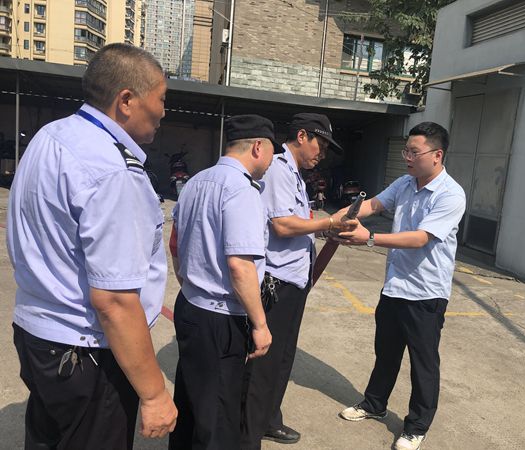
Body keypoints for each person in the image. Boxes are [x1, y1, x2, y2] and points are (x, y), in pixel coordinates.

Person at [6, 43, 177, 450]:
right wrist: (154, 394)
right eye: (161, 99)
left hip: (37, 335)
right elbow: (114, 301)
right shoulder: (113, 170)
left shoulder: (52, 136)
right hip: (86, 352)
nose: (164, 112)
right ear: (127, 101)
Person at [337, 122, 466, 450]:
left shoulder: (451, 194)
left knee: (423, 364)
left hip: (426, 293)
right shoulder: (405, 183)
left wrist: (369, 238)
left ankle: (416, 426)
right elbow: (373, 205)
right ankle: (374, 404)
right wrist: (336, 219)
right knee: (386, 353)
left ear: (437, 155)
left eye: (414, 152)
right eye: (405, 150)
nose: (407, 157)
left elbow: (421, 238)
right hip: (394, 287)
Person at [168, 115, 283, 450]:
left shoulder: (195, 182)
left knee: (191, 402)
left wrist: (189, 281)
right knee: (218, 416)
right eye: (272, 153)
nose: (271, 162)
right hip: (220, 317)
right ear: (258, 147)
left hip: (191, 306)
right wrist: (260, 324)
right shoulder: (241, 190)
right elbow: (240, 265)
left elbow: (176, 244)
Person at [241, 113, 354, 449]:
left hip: (293, 280)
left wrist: (327, 230)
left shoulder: (295, 175)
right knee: (265, 364)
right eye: (321, 144)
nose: (323, 153)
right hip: (276, 282)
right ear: (302, 136)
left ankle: (268, 419)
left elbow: (299, 223)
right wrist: (329, 222)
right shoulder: (278, 169)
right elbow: (282, 224)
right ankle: (248, 433)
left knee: (283, 358)